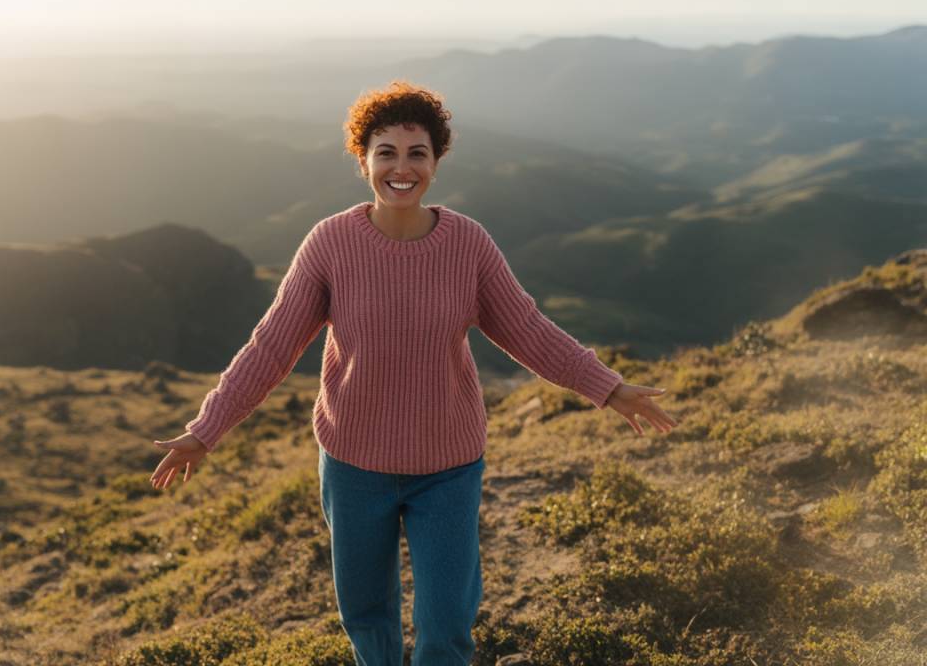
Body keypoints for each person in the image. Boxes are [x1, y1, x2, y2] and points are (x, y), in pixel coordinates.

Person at [149, 79, 678, 665]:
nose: (402, 168)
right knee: (366, 617)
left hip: (447, 467)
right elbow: (271, 347)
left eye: (417, 153)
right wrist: (207, 429)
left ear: (436, 161)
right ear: (363, 161)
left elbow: (529, 331)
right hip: (353, 465)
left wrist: (608, 387)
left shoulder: (469, 245)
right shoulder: (329, 244)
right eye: (387, 153)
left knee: (446, 625)